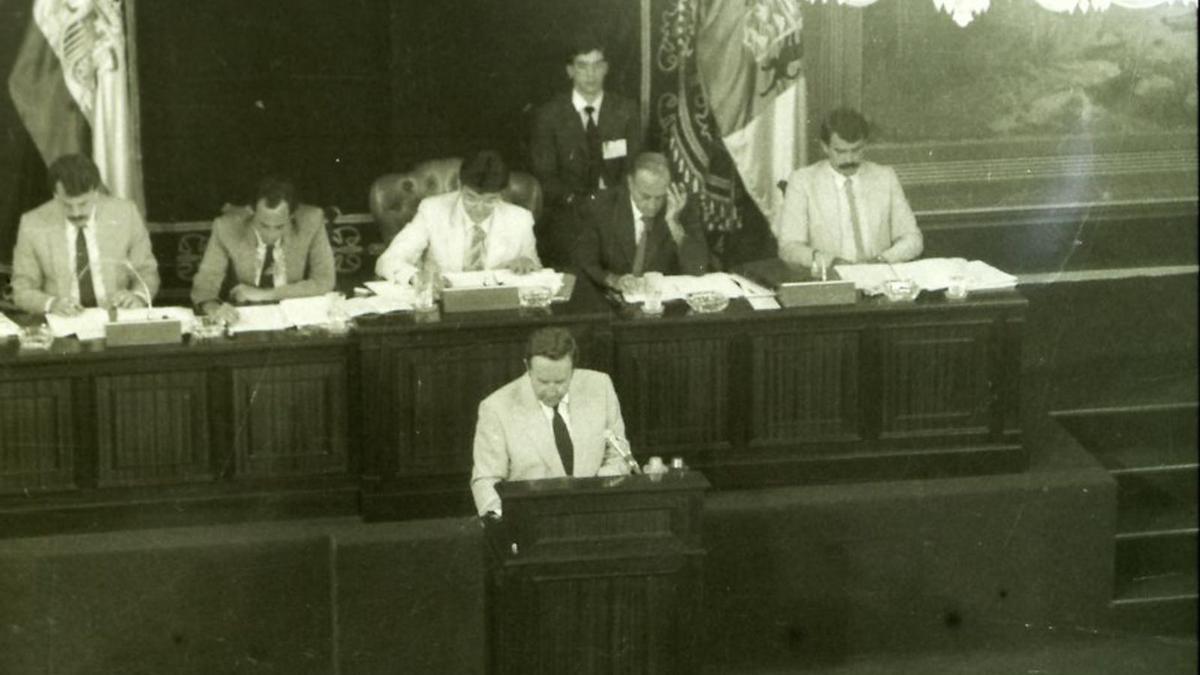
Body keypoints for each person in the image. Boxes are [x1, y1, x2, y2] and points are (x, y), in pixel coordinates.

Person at [470, 326, 633, 517]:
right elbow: (487, 480)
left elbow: (618, 455)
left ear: (573, 369)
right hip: (531, 520)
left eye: (561, 381)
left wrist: (594, 494)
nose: (552, 390)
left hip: (594, 513)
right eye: (543, 381)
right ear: (527, 367)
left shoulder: (600, 385)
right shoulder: (496, 408)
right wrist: (500, 521)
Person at [531, 38, 641, 267]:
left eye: (597, 65)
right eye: (582, 66)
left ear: (606, 68)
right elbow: (546, 175)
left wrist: (613, 206)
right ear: (570, 71)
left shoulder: (627, 110)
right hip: (569, 212)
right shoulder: (549, 115)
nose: (590, 74)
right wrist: (583, 204)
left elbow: (633, 167)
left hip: (616, 210)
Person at [776, 107, 922, 274]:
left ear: (865, 144)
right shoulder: (802, 181)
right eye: (841, 151)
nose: (849, 159)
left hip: (880, 277)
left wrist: (882, 260)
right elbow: (789, 247)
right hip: (830, 280)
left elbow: (913, 238)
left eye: (856, 150)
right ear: (825, 147)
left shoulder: (885, 177)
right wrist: (831, 262)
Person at [11, 153, 159, 315]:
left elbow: (146, 271)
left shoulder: (125, 213)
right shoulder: (32, 223)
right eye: (67, 205)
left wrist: (138, 296)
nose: (76, 213)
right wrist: (51, 304)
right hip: (63, 322)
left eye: (83, 203)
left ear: (96, 192)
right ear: (55, 195)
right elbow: (22, 288)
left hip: (117, 318)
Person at [375, 150, 540, 285]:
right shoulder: (432, 210)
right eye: (471, 198)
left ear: (501, 194)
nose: (479, 208)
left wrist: (527, 264)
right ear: (460, 186)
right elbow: (387, 261)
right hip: (444, 306)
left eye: (490, 201)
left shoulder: (520, 219)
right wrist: (416, 277)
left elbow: (535, 270)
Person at [190, 177, 336, 324]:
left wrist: (264, 295)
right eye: (263, 225)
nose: (270, 235)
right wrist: (213, 308)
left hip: (296, 316)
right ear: (251, 212)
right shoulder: (226, 227)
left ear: (291, 216)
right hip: (245, 318)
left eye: (279, 226)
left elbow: (324, 280)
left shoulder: (311, 221)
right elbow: (206, 281)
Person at [575, 152, 709, 293]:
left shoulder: (681, 208)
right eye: (645, 196)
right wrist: (614, 280)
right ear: (630, 183)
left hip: (664, 304)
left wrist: (674, 224)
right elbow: (584, 262)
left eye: (659, 197)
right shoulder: (602, 206)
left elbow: (698, 268)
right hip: (611, 301)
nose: (652, 205)